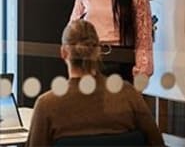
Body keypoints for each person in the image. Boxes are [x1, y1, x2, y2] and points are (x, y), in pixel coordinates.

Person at [26, 20, 164, 147]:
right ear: (98, 51)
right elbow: (157, 143)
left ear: (63, 52)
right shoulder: (128, 95)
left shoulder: (47, 105)